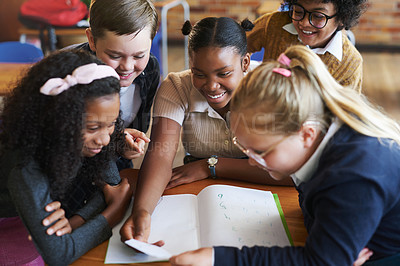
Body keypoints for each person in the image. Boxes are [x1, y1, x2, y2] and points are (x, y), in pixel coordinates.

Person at [169, 45, 400, 265]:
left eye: (261, 151)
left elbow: (319, 261)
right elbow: (312, 214)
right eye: (244, 147)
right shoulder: (318, 133)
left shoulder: (353, 175)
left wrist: (217, 259)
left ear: (307, 134)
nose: (251, 161)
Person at [119, 16, 293, 243]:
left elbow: (290, 173)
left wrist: (211, 165)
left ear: (246, 62)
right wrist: (142, 212)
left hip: (261, 187)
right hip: (200, 187)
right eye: (199, 74)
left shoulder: (274, 85)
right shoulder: (177, 87)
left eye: (224, 73)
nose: (211, 86)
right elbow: (161, 153)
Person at [0, 50, 133, 265]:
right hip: (10, 233)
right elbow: (59, 255)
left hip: (45, 220)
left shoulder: (93, 131)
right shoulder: (24, 168)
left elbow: (113, 188)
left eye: (111, 124)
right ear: (59, 120)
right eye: (93, 128)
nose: (105, 139)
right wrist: (111, 215)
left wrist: (77, 222)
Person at [68, 0, 160, 170]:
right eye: (115, 55)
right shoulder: (69, 74)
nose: (127, 67)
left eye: (139, 56)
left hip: (115, 165)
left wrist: (125, 145)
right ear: (92, 40)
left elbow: (138, 127)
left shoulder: (150, 69)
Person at [246, 0, 368, 92]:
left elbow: (345, 116)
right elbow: (238, 45)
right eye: (298, 12)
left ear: (343, 17)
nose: (304, 23)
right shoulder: (275, 23)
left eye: (318, 16)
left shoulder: (350, 64)